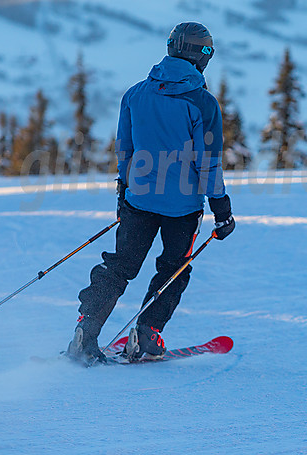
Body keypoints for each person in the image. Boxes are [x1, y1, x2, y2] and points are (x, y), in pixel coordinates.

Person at [66, 22, 235, 365]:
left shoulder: (136, 94)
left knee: (120, 266)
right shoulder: (202, 103)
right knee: (174, 267)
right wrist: (222, 209)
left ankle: (87, 328)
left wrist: (122, 195)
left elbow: (125, 151)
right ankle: (146, 334)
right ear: (200, 55)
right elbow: (208, 163)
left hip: (138, 199)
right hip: (182, 207)